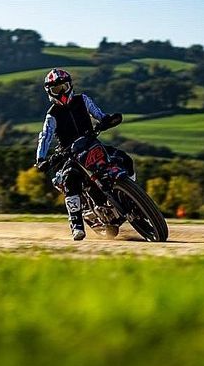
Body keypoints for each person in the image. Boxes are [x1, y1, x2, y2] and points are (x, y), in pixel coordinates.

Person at [34, 68, 133, 240]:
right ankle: (76, 224)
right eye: (57, 90)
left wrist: (105, 120)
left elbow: (98, 114)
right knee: (70, 179)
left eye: (64, 87)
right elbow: (45, 136)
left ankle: (132, 196)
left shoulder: (83, 100)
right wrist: (41, 158)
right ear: (50, 93)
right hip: (70, 154)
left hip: (92, 144)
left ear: (70, 85)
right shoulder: (52, 115)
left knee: (124, 159)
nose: (62, 92)